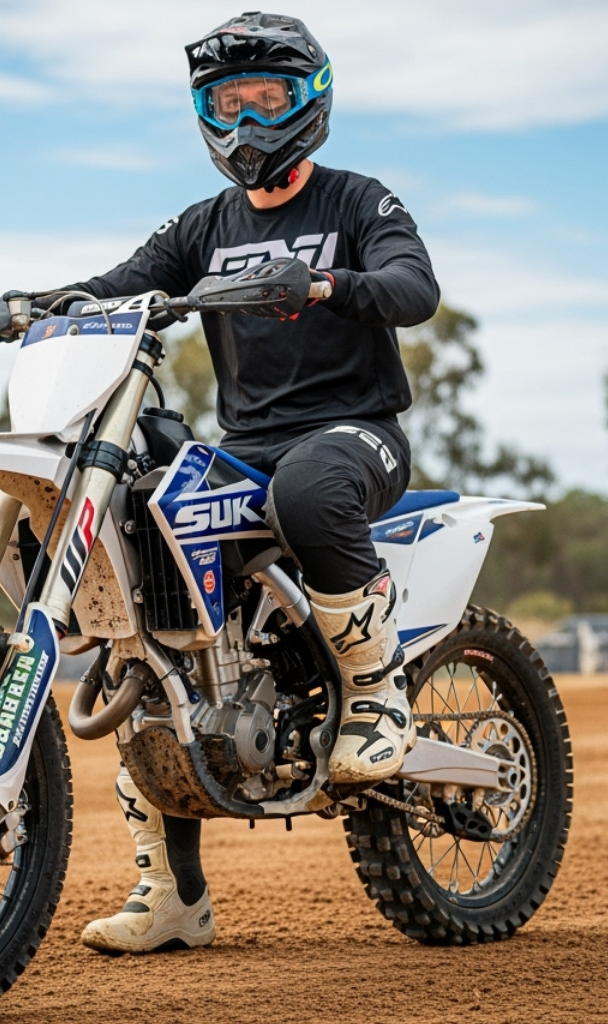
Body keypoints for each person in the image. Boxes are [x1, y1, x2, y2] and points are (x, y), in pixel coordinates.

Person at [50, 11, 440, 955]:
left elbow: (415, 289)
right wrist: (39, 306)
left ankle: (377, 686)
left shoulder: (359, 200)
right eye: (228, 102)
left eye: (266, 97)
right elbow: (122, 282)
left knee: (306, 490)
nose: (247, 120)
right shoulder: (203, 224)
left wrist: (328, 285)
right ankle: (174, 898)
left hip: (356, 436)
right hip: (248, 446)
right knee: (146, 559)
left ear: (307, 99)